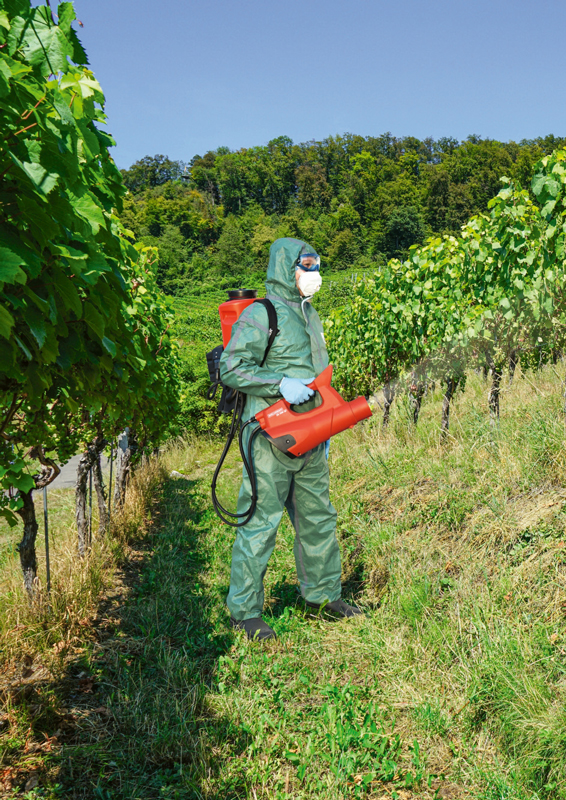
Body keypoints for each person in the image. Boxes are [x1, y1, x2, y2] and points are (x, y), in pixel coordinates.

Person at [219, 237, 362, 641]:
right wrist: (279, 383)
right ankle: (245, 612)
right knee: (260, 523)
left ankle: (322, 598)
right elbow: (231, 367)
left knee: (318, 518)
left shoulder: (308, 314)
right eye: (306, 267)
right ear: (286, 269)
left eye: (316, 267)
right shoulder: (262, 314)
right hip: (268, 439)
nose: (313, 276)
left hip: (311, 437)